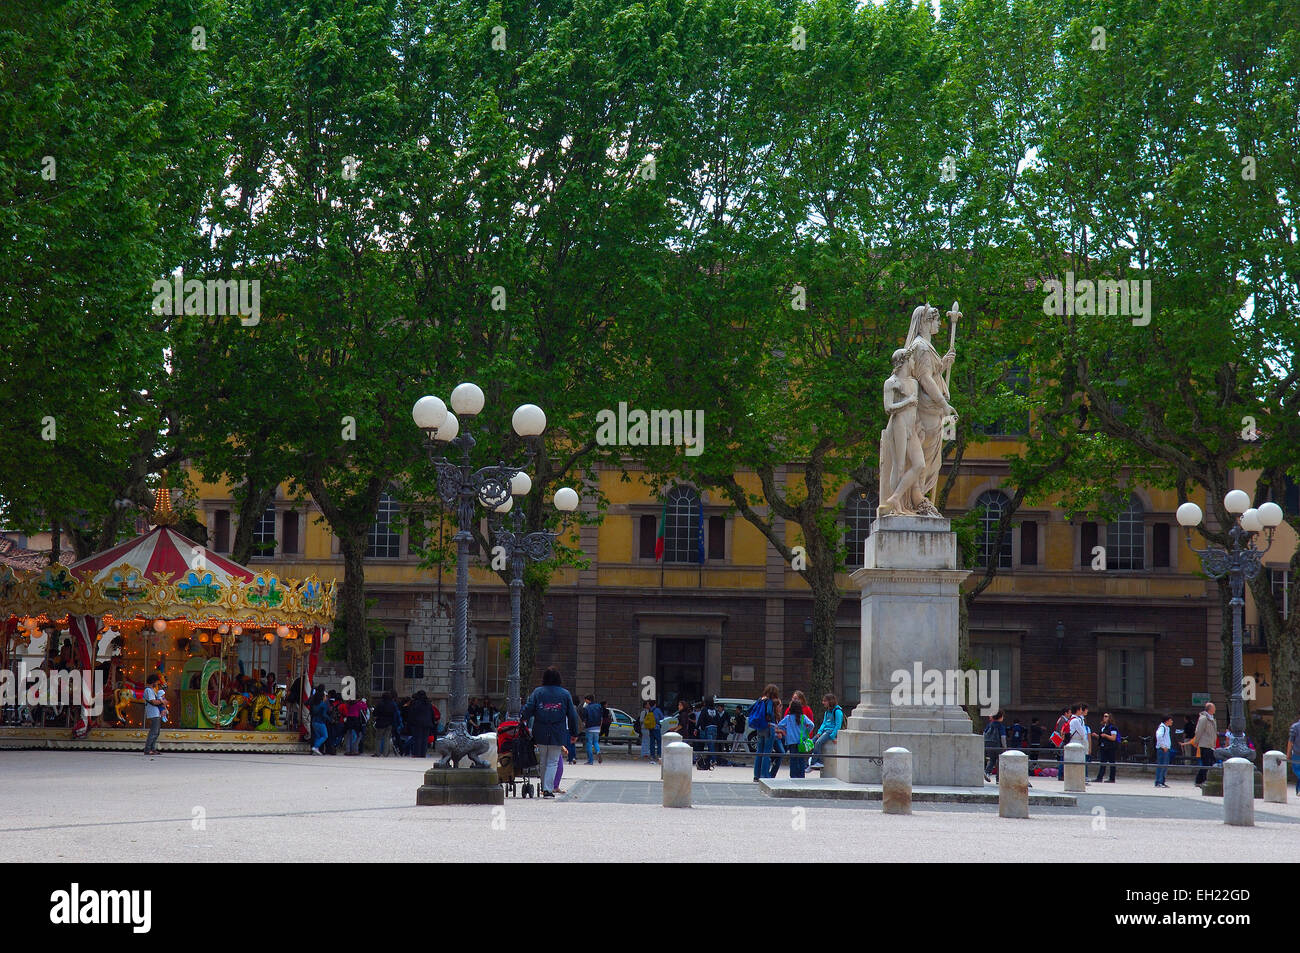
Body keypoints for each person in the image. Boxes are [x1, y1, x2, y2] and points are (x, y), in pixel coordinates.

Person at [520, 666, 580, 798]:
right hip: (557, 731)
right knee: (553, 760)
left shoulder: (538, 692)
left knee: (543, 760)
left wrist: (523, 717)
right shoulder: (565, 694)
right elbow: (572, 715)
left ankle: (544, 786)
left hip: (540, 730)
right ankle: (548, 789)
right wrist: (574, 733)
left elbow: (528, 708)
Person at [773, 698, 815, 778]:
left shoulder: (788, 718)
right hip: (801, 741)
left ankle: (793, 776)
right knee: (801, 760)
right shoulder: (803, 717)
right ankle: (801, 775)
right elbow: (811, 725)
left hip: (791, 741)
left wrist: (785, 732)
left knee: (793, 760)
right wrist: (806, 733)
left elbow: (780, 725)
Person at [751, 685, 780, 782]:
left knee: (759, 752)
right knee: (766, 752)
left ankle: (756, 775)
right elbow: (769, 712)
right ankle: (764, 775)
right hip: (769, 727)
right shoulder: (770, 701)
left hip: (760, 728)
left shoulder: (760, 700)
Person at [809, 693, 844, 771]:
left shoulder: (837, 712)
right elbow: (824, 723)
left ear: (830, 701)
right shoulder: (827, 712)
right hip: (824, 731)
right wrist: (819, 732)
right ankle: (812, 762)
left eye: (825, 701)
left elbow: (838, 725)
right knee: (811, 742)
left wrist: (832, 736)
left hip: (830, 731)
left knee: (818, 743)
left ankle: (815, 763)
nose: (823, 703)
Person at [695, 696, 724, 768]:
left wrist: (696, 728)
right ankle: (711, 759)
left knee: (709, 745)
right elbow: (719, 720)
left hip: (708, 728)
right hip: (715, 728)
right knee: (712, 745)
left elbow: (701, 719)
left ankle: (713, 760)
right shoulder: (715, 710)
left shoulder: (704, 709)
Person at [1193, 702, 1218, 786]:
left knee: (1209, 763)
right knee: (1206, 763)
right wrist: (1196, 742)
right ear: (1210, 709)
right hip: (1205, 744)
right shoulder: (1203, 718)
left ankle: (1202, 780)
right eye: (1213, 707)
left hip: (1211, 745)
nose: (1215, 709)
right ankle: (1200, 780)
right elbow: (1199, 731)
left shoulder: (1212, 718)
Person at [143, 673, 167, 756]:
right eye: (156, 682)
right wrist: (162, 701)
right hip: (153, 713)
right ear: (153, 681)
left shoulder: (152, 690)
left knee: (156, 732)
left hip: (156, 713)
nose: (157, 684)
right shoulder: (148, 690)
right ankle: (148, 749)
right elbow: (153, 702)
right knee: (153, 732)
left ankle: (153, 749)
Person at [406, 691, 435, 759]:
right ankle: (423, 754)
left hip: (417, 723)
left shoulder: (415, 703)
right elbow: (432, 714)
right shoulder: (428, 703)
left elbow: (411, 713)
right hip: (427, 723)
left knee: (417, 739)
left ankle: (417, 753)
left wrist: (410, 723)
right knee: (425, 739)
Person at [372, 691, 400, 757]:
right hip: (389, 723)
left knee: (378, 738)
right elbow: (395, 713)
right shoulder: (392, 704)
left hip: (381, 722)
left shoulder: (380, 704)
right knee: (386, 738)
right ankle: (385, 753)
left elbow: (375, 713)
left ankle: (377, 752)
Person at [1094, 712, 1118, 782]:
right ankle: (1099, 777)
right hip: (1103, 746)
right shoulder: (1102, 727)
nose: (1104, 717)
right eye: (1104, 716)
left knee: (1112, 762)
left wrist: (1105, 735)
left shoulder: (1113, 727)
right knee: (1102, 762)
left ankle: (1112, 778)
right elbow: (1102, 737)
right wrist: (1097, 736)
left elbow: (1113, 738)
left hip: (1110, 747)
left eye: (1106, 716)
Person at [983, 710, 1006, 780]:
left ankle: (987, 772)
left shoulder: (989, 725)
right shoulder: (1001, 726)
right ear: (1000, 717)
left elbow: (984, 734)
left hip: (988, 744)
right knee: (1000, 761)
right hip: (997, 745)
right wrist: (1004, 747)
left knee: (992, 759)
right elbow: (1003, 737)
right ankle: (999, 778)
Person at [582, 694, 603, 765]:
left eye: (585, 700)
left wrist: (584, 726)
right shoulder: (599, 706)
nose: (585, 701)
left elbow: (584, 718)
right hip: (597, 727)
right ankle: (598, 751)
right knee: (596, 742)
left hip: (589, 727)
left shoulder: (587, 708)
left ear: (588, 700)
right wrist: (600, 726)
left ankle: (590, 761)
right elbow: (601, 717)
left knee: (589, 744)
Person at [1154, 714, 1174, 788]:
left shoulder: (1166, 728)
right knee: (1161, 765)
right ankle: (1159, 782)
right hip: (1162, 749)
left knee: (1164, 766)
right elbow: (1159, 736)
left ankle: (1162, 781)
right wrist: (1163, 746)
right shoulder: (1162, 727)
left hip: (1165, 749)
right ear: (1167, 721)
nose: (1172, 721)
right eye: (1170, 720)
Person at [1287, 714, 1300, 796]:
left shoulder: (1295, 727)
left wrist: (1288, 754)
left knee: (1297, 770)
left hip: (1296, 753)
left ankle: (1298, 790)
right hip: (1296, 753)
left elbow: (1290, 742)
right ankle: (1298, 790)